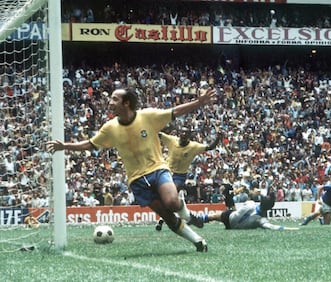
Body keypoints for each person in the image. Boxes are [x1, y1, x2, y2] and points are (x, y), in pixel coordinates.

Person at [46, 87, 218, 252]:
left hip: (158, 169)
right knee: (167, 215)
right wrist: (64, 146)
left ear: (126, 103)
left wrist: (199, 102)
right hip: (136, 180)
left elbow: (175, 112)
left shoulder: (148, 116)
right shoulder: (110, 128)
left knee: (172, 202)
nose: (110, 102)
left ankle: (188, 216)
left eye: (114, 99)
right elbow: (90, 144)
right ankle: (198, 241)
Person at [200, 194, 298, 231]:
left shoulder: (251, 203)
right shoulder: (261, 220)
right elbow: (272, 227)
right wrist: (289, 228)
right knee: (217, 216)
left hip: (230, 217)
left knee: (214, 216)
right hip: (234, 227)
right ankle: (200, 219)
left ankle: (199, 219)